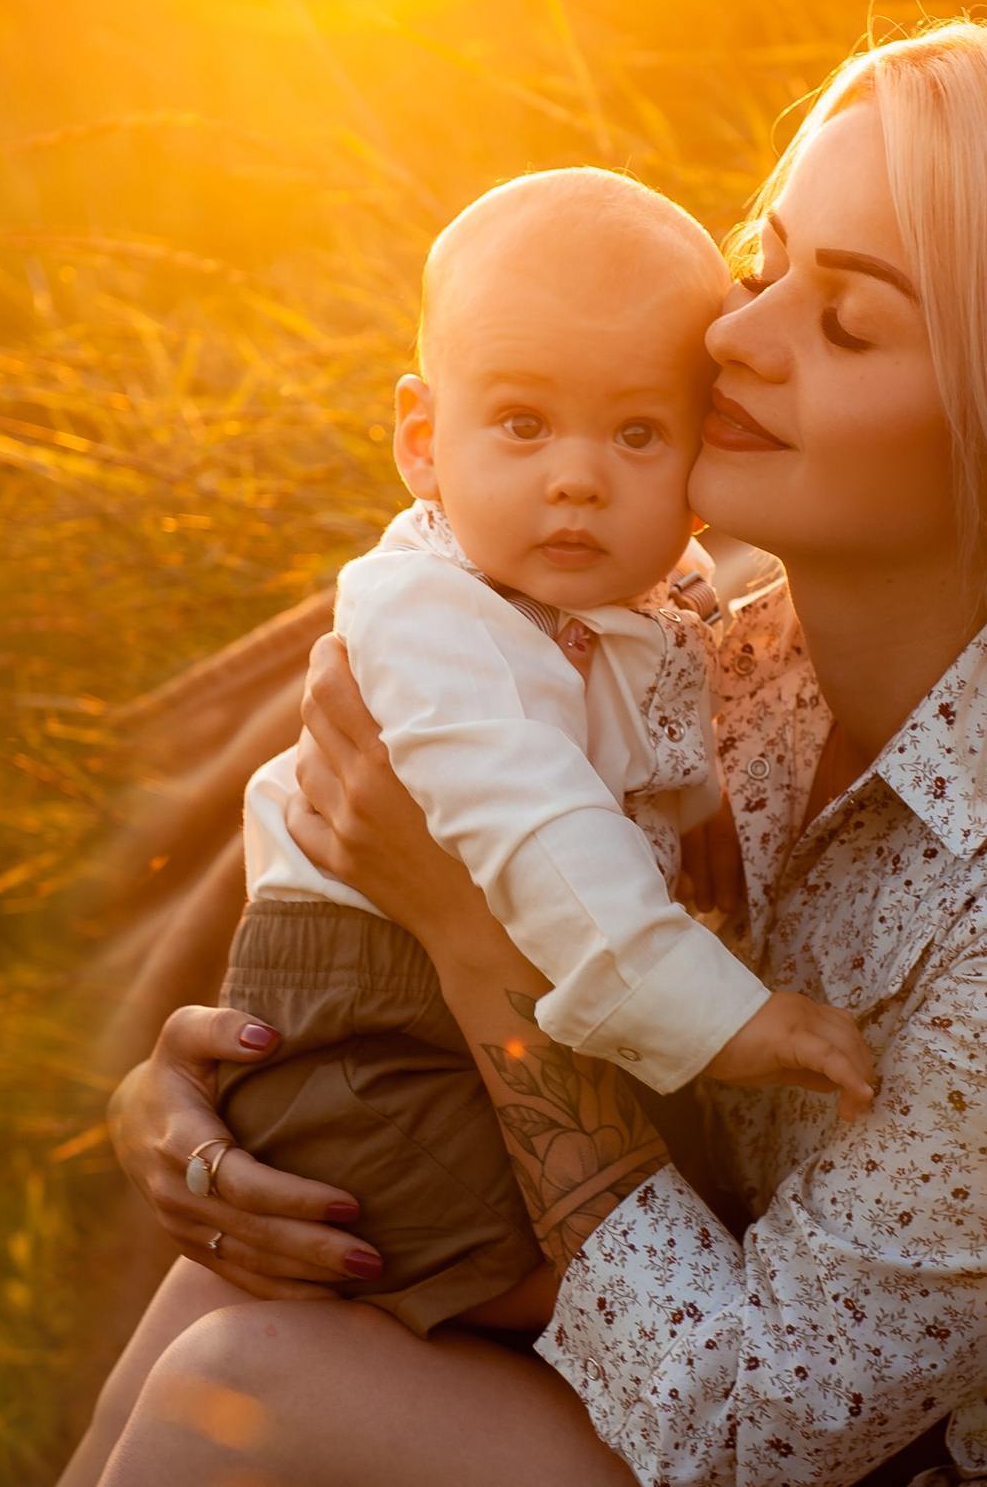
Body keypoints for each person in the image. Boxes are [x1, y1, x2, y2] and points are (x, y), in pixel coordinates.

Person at [79, 21, 987, 1486]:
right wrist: (229, 1116)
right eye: (766, 267)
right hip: (872, 1429)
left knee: (258, 1380)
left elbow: (739, 1435)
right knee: (232, 1296)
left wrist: (477, 958)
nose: (731, 338)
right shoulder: (714, 677)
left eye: (846, 324)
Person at [212, 166, 875, 1341]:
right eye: (522, 424)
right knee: (514, 1274)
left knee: (630, 1226)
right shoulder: (432, 613)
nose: (575, 477)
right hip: (371, 1021)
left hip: (514, 987)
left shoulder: (658, 602)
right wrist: (720, 1019)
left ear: (699, 457)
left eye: (635, 432)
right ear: (422, 441)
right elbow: (541, 832)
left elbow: (657, 757)